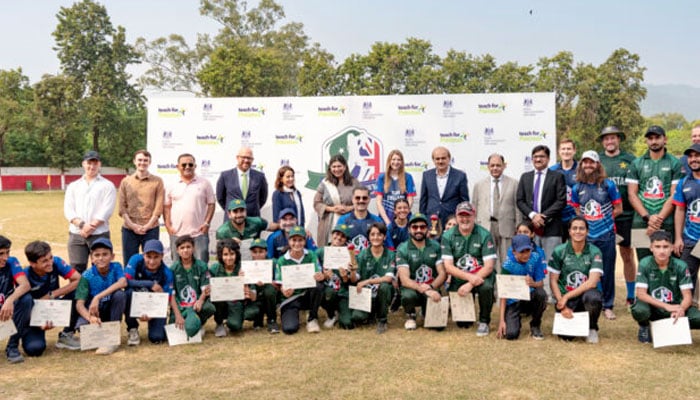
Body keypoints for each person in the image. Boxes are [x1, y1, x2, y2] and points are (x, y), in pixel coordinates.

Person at [571, 151, 622, 320]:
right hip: (587, 238)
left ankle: (608, 306)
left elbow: (618, 208)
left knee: (607, 271)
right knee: (586, 271)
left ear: (598, 164)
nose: (588, 165)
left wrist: (603, 220)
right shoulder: (577, 187)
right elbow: (577, 210)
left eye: (591, 162)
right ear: (581, 165)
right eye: (585, 162)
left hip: (606, 236)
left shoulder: (608, 185)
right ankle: (588, 302)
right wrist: (586, 226)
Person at [516, 144, 567, 300]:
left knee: (551, 261)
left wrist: (542, 216)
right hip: (530, 228)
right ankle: (530, 293)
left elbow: (561, 201)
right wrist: (533, 216)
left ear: (548, 159)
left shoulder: (557, 176)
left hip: (551, 226)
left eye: (542, 156)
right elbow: (520, 200)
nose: (538, 159)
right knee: (529, 259)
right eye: (535, 157)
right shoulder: (525, 177)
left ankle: (551, 294)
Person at [633, 230, 700, 343]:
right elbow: (641, 294)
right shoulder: (645, 263)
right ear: (651, 248)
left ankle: (678, 327)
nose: (662, 251)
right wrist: (666, 306)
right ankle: (644, 326)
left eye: (665, 247)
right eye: (657, 247)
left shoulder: (681, 265)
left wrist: (681, 309)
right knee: (640, 310)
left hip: (675, 307)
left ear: (672, 248)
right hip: (653, 308)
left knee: (697, 318)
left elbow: (687, 296)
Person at [627, 125, 682, 261]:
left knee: (668, 262)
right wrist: (647, 218)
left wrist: (658, 220)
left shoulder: (675, 163)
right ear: (647, 141)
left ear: (665, 139)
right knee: (644, 262)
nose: (654, 141)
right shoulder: (636, 163)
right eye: (650, 138)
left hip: (667, 221)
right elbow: (632, 194)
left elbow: (674, 194)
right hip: (641, 221)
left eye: (657, 137)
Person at [442, 202, 497, 336]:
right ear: (456, 216)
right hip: (461, 276)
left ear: (474, 216)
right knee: (463, 323)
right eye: (461, 215)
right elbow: (448, 266)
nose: (464, 219)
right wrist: (469, 279)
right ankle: (468, 309)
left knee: (486, 287)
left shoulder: (484, 234)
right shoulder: (447, 235)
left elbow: (489, 266)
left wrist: (471, 283)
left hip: (481, 275)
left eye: (468, 215)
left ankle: (484, 320)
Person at [598, 125, 637, 307]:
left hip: (626, 216)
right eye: (606, 138)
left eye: (613, 138)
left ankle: (630, 296)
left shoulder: (630, 160)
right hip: (602, 219)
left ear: (619, 139)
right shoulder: (597, 160)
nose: (610, 141)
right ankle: (599, 294)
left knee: (627, 255)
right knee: (600, 257)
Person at [548, 217, 603, 343]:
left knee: (594, 298)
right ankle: (572, 320)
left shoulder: (595, 251)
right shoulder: (559, 251)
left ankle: (592, 328)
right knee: (566, 338)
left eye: (582, 228)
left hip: (584, 297)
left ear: (587, 231)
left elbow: (592, 282)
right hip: (565, 299)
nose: (578, 231)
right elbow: (553, 281)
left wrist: (566, 296)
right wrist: (562, 303)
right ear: (569, 231)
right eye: (574, 228)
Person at [24, 241, 82, 354]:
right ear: (32, 263)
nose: (50, 262)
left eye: (50, 258)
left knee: (79, 291)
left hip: (54, 305)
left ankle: (67, 334)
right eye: (44, 261)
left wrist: (52, 295)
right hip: (34, 315)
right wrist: (39, 324)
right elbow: (22, 306)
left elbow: (79, 279)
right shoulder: (25, 275)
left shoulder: (57, 262)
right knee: (35, 349)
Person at [64, 150, 117, 273]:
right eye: (89, 163)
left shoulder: (107, 185)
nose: (92, 166)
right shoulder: (73, 186)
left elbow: (107, 210)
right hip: (77, 234)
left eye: (95, 163)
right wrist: (82, 225)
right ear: (83, 164)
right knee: (77, 269)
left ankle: (100, 293)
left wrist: (91, 227)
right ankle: (78, 293)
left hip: (99, 233)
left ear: (99, 164)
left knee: (101, 268)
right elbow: (69, 209)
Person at [75, 238, 127, 355]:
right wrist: (90, 318)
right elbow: (79, 304)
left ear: (112, 256)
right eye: (97, 255)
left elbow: (123, 282)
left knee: (120, 295)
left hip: (109, 309)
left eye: (105, 254)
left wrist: (97, 297)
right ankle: (98, 333)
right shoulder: (87, 275)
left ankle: (112, 337)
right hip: (95, 312)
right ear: (92, 258)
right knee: (82, 327)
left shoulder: (116, 267)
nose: (101, 258)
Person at [396, 213, 445, 330]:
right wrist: (423, 289)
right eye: (414, 227)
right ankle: (410, 315)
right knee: (408, 296)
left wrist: (431, 287)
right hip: (412, 288)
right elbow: (404, 279)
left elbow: (442, 273)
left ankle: (425, 311)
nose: (418, 230)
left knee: (438, 327)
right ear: (409, 229)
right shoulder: (402, 248)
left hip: (431, 286)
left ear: (427, 229)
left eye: (422, 227)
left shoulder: (435, 246)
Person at [473, 153, 521, 271]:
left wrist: (518, 227)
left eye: (498, 165)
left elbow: (518, 207)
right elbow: (474, 206)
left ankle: (506, 286)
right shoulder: (479, 185)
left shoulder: (514, 183)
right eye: (492, 165)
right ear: (488, 166)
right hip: (485, 226)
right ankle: (491, 287)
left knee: (507, 260)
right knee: (487, 260)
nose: (495, 168)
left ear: (504, 166)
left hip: (507, 226)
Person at [164, 153, 216, 263]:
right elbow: (167, 207)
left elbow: (211, 203)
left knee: (201, 266)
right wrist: (168, 225)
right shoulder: (171, 184)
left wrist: (206, 223)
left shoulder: (205, 183)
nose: (187, 167)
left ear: (195, 166)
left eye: (190, 164)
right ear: (178, 167)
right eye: (184, 165)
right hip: (177, 233)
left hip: (199, 233)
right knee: (178, 268)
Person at [273, 226, 325, 334]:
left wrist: (320, 276)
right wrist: (284, 290)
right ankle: (296, 314)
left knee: (318, 286)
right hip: (291, 298)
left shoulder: (311, 255)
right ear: (289, 241)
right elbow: (280, 283)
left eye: (300, 240)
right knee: (289, 329)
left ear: (305, 241)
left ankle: (312, 318)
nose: (297, 244)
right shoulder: (282, 260)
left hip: (307, 295)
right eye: (294, 240)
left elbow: (317, 272)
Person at [118, 149, 164, 264]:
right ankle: (130, 283)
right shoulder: (126, 182)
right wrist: (132, 226)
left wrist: (147, 226)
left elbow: (158, 208)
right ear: (134, 161)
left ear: (149, 162)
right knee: (129, 262)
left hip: (151, 229)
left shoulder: (157, 181)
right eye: (140, 160)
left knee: (151, 263)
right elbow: (122, 208)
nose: (142, 163)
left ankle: (149, 283)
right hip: (129, 229)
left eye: (145, 160)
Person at [496, 235, 547, 340]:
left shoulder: (535, 258)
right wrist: (501, 321)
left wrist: (533, 283)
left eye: (528, 250)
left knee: (541, 294)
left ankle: (535, 325)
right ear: (514, 252)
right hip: (513, 301)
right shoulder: (507, 266)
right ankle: (514, 320)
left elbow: (540, 283)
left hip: (529, 296)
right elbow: (503, 293)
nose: (525, 254)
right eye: (521, 252)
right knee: (511, 335)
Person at [124, 239, 173, 345]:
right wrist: (150, 284)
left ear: (162, 256)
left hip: (154, 305)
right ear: (143, 255)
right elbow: (125, 282)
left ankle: (155, 328)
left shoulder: (166, 273)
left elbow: (165, 299)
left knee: (157, 338)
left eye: (156, 257)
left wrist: (153, 314)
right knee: (127, 293)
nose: (152, 261)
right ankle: (132, 328)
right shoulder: (135, 260)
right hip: (135, 301)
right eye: (148, 257)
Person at [169, 235, 216, 338]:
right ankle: (190, 322)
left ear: (193, 248)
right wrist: (177, 314)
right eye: (182, 248)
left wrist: (200, 301)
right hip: (181, 306)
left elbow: (206, 288)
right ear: (177, 250)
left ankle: (199, 323)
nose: (185, 250)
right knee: (171, 327)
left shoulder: (201, 266)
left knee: (209, 307)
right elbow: (171, 293)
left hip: (196, 305)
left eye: (188, 247)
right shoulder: (173, 269)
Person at [210, 239, 258, 337]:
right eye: (225, 254)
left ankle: (235, 319)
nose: (229, 258)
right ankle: (219, 323)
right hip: (221, 303)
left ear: (237, 254)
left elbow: (253, 296)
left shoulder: (243, 268)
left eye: (232, 254)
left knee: (235, 326)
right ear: (220, 255)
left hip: (237, 303)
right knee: (216, 297)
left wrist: (244, 283)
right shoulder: (214, 269)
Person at [352, 223, 395, 334]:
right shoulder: (362, 255)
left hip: (383, 295)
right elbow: (355, 279)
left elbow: (389, 278)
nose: (376, 237)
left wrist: (368, 281)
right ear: (369, 237)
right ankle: (370, 314)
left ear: (384, 237)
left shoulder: (391, 255)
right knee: (357, 317)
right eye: (373, 234)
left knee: (385, 286)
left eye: (379, 234)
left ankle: (382, 320)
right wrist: (351, 272)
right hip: (366, 295)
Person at [313, 154, 359, 245]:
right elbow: (316, 203)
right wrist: (332, 209)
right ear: (330, 168)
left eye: (339, 166)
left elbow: (361, 201)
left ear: (345, 167)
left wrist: (349, 208)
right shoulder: (325, 183)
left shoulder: (354, 182)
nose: (337, 169)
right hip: (328, 223)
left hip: (349, 220)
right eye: (334, 167)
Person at [673, 143, 700, 294]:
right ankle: (689, 314)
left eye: (697, 155)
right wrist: (678, 238)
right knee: (686, 281)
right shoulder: (684, 182)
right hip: (690, 240)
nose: (693, 159)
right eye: (690, 156)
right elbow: (680, 209)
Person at [0, 236, 32, 363]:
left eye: (7, 252)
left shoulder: (12, 262)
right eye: (1, 254)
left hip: (6, 307)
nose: (6, 257)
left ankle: (12, 346)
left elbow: (25, 285)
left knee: (26, 299)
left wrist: (10, 300)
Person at [420, 146, 469, 226]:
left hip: (452, 222)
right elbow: (423, 201)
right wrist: (423, 220)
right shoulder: (427, 175)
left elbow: (464, 202)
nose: (440, 161)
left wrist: (461, 220)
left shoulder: (460, 176)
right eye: (437, 159)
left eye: (443, 158)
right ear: (433, 160)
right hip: (431, 221)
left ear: (449, 159)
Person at [317, 224, 354, 329]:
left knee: (347, 324)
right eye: (337, 234)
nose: (339, 238)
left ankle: (340, 312)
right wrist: (324, 276)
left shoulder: (349, 254)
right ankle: (331, 315)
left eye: (343, 236)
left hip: (343, 292)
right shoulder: (321, 252)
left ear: (346, 240)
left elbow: (351, 281)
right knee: (329, 293)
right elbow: (313, 272)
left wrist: (345, 277)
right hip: (327, 290)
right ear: (332, 234)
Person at [216, 146, 268, 219]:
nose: (246, 160)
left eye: (249, 158)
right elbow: (220, 198)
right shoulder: (225, 176)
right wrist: (232, 211)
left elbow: (262, 199)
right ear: (237, 158)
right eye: (243, 157)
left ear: (252, 160)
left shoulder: (260, 177)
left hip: (252, 221)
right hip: (232, 222)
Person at [337, 186, 392, 251]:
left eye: (364, 198)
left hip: (371, 259)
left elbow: (388, 245)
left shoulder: (377, 220)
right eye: (357, 198)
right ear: (352, 199)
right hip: (349, 259)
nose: (361, 200)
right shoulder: (343, 220)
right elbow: (337, 244)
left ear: (369, 199)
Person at [374, 149, 416, 225]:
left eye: (399, 160)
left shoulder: (408, 177)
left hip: (403, 218)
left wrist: (403, 214)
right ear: (389, 161)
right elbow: (378, 202)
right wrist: (387, 221)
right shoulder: (381, 177)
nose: (396, 162)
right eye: (393, 159)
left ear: (402, 162)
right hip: (386, 217)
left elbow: (410, 200)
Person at [247, 239, 280, 334]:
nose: (257, 255)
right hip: (255, 297)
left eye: (261, 251)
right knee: (254, 290)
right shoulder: (247, 266)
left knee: (269, 291)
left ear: (266, 251)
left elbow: (280, 282)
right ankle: (258, 318)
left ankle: (272, 320)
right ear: (251, 253)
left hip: (272, 296)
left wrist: (271, 282)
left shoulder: (273, 263)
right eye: (254, 252)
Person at [549, 139, 578, 240]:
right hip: (558, 218)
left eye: (569, 149)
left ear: (574, 150)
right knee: (559, 251)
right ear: (559, 151)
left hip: (575, 217)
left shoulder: (581, 169)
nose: (566, 151)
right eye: (563, 149)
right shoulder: (552, 170)